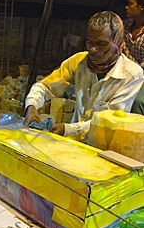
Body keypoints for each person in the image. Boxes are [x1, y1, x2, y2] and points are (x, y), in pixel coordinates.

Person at [24, 11, 144, 139]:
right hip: (74, 144)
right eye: (89, 43)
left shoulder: (132, 75)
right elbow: (45, 87)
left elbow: (109, 123)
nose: (92, 49)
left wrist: (68, 129)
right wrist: (32, 106)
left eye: (101, 44)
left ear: (117, 42)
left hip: (105, 147)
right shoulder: (79, 62)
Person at [122, 0, 144, 114]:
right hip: (127, 74)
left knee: (137, 102)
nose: (126, 7)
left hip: (141, 76)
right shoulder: (125, 26)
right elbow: (118, 48)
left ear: (141, 7)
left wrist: (134, 72)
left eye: (130, 4)